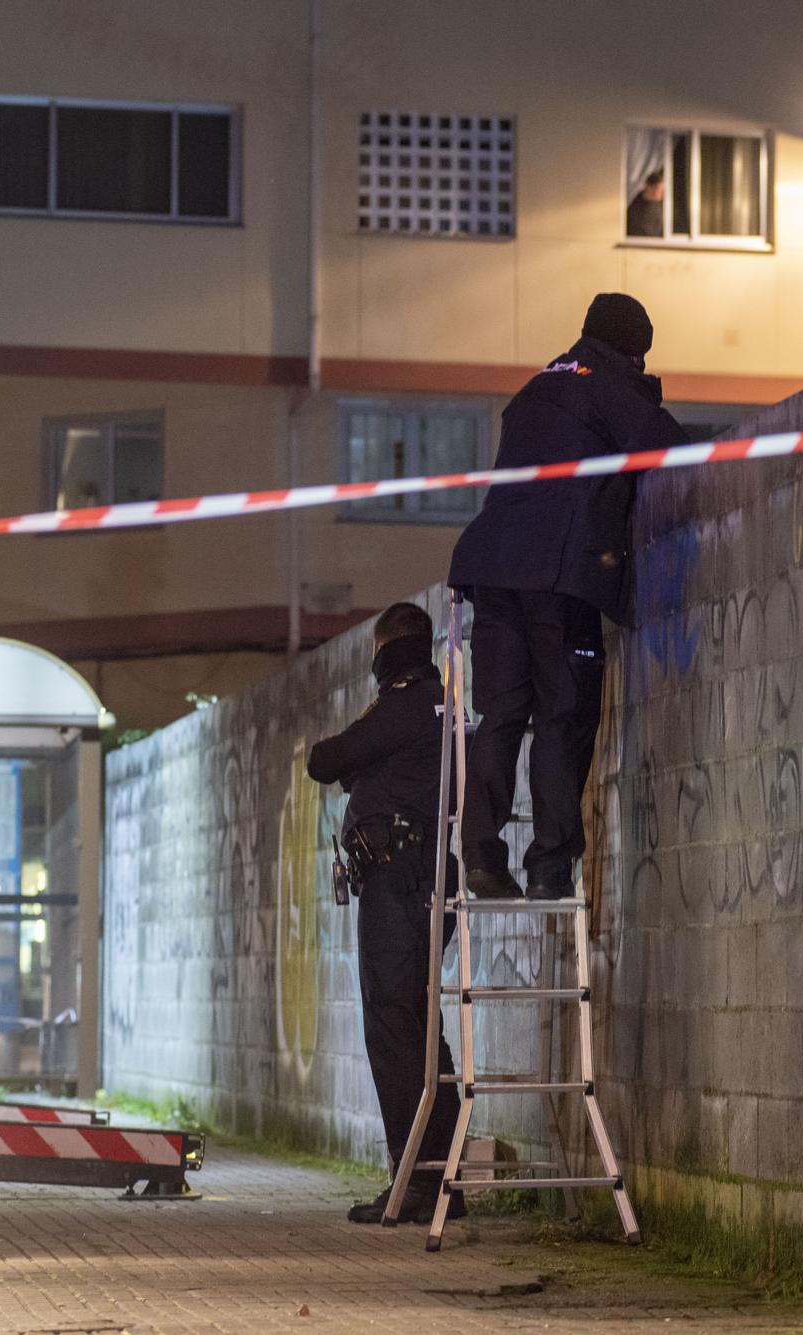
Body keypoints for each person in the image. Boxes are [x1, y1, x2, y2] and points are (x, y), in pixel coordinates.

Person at [448, 293, 686, 899]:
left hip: (492, 571)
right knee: (563, 716)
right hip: (558, 575)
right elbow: (668, 448)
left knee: (500, 716)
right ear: (632, 350)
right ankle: (550, 865)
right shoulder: (606, 386)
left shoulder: (534, 388)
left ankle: (480, 856)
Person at [305, 602, 465, 1225]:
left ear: (384, 649)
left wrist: (363, 764)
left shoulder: (404, 701)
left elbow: (327, 760)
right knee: (422, 1031)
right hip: (417, 877)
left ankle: (416, 1183)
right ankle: (441, 1181)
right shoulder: (437, 706)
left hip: (398, 880)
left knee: (396, 1033)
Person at [626, 170, 665, 237]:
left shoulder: (660, 207)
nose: (662, 194)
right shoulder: (634, 205)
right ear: (649, 188)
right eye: (659, 189)